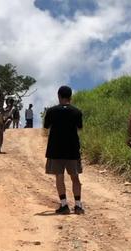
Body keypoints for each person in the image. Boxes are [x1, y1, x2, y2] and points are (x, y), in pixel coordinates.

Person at [44, 85, 84, 215]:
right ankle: (78, 206)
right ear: (70, 97)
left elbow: (46, 127)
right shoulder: (77, 112)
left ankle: (64, 205)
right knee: (75, 178)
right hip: (72, 150)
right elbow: (79, 128)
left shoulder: (51, 111)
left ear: (59, 96)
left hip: (55, 150)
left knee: (59, 177)